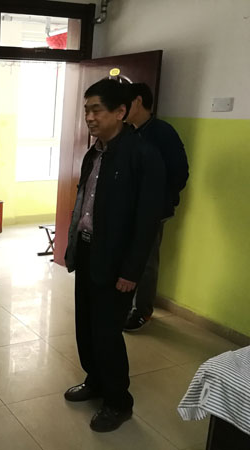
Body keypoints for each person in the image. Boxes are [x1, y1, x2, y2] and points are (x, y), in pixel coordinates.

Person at [63, 79, 165, 432]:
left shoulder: (142, 155)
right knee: (86, 325)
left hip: (117, 260)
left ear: (121, 112)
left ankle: (118, 401)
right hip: (88, 250)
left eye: (97, 110)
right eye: (86, 110)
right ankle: (95, 380)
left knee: (107, 332)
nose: (89, 117)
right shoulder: (95, 152)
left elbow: (147, 221)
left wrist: (131, 271)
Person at [123, 82, 189, 331]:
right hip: (129, 209)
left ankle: (142, 312)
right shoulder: (128, 132)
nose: (120, 109)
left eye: (125, 103)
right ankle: (124, 305)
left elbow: (180, 173)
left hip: (152, 212)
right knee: (127, 257)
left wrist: (157, 201)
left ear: (138, 101)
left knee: (146, 261)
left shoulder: (162, 132)